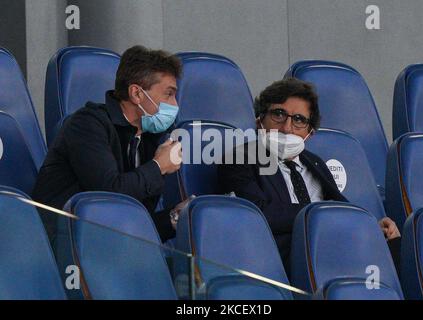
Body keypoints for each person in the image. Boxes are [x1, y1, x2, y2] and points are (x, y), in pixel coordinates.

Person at [218, 78, 401, 274]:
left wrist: (372, 226)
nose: (287, 127)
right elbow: (256, 214)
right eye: (278, 114)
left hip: (333, 252)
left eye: (299, 120)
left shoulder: (315, 163)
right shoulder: (240, 158)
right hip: (283, 264)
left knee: (395, 245)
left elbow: (341, 209)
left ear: (310, 132)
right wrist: (321, 216)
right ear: (259, 121)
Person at [32, 46, 190, 245]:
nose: (175, 105)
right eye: (168, 94)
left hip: (111, 246)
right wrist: (158, 167)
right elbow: (110, 196)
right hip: (65, 245)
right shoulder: (87, 124)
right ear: (136, 94)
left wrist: (175, 218)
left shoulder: (150, 138)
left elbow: (134, 223)